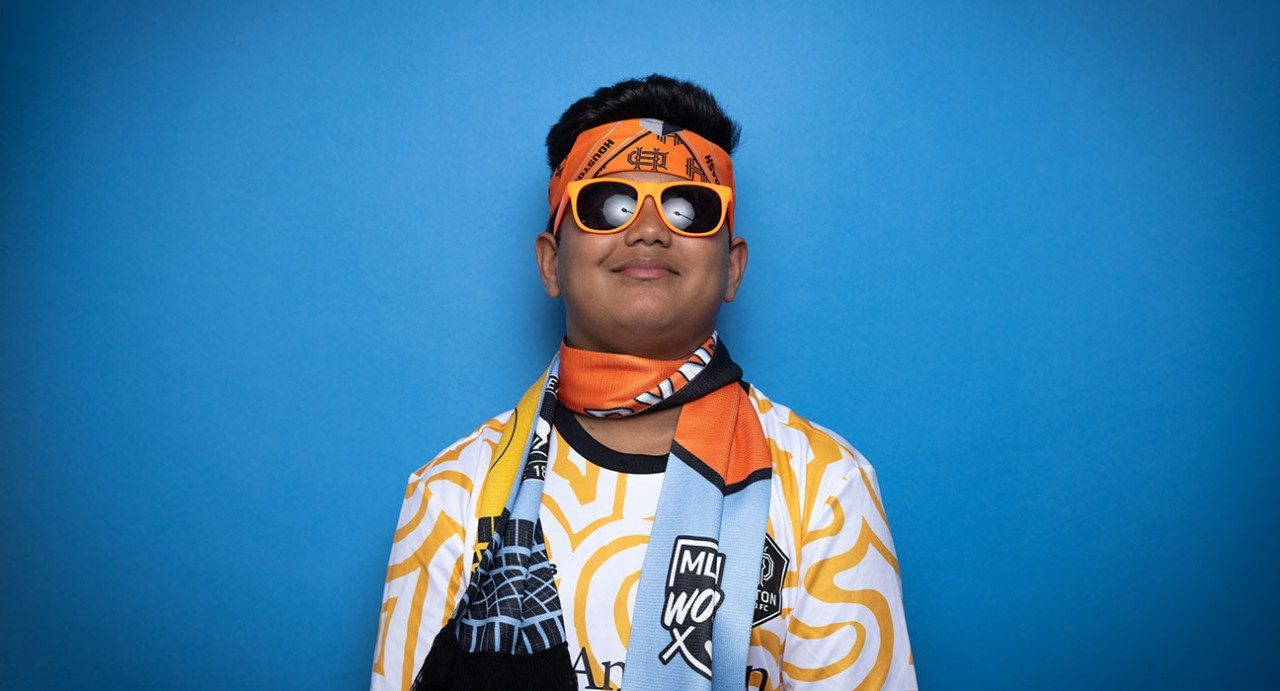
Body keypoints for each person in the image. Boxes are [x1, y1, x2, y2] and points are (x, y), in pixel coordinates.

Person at [371, 75, 916, 691]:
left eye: (690, 207)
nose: (650, 229)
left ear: (732, 268)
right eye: (609, 204)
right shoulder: (451, 495)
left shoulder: (825, 489)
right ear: (552, 261)